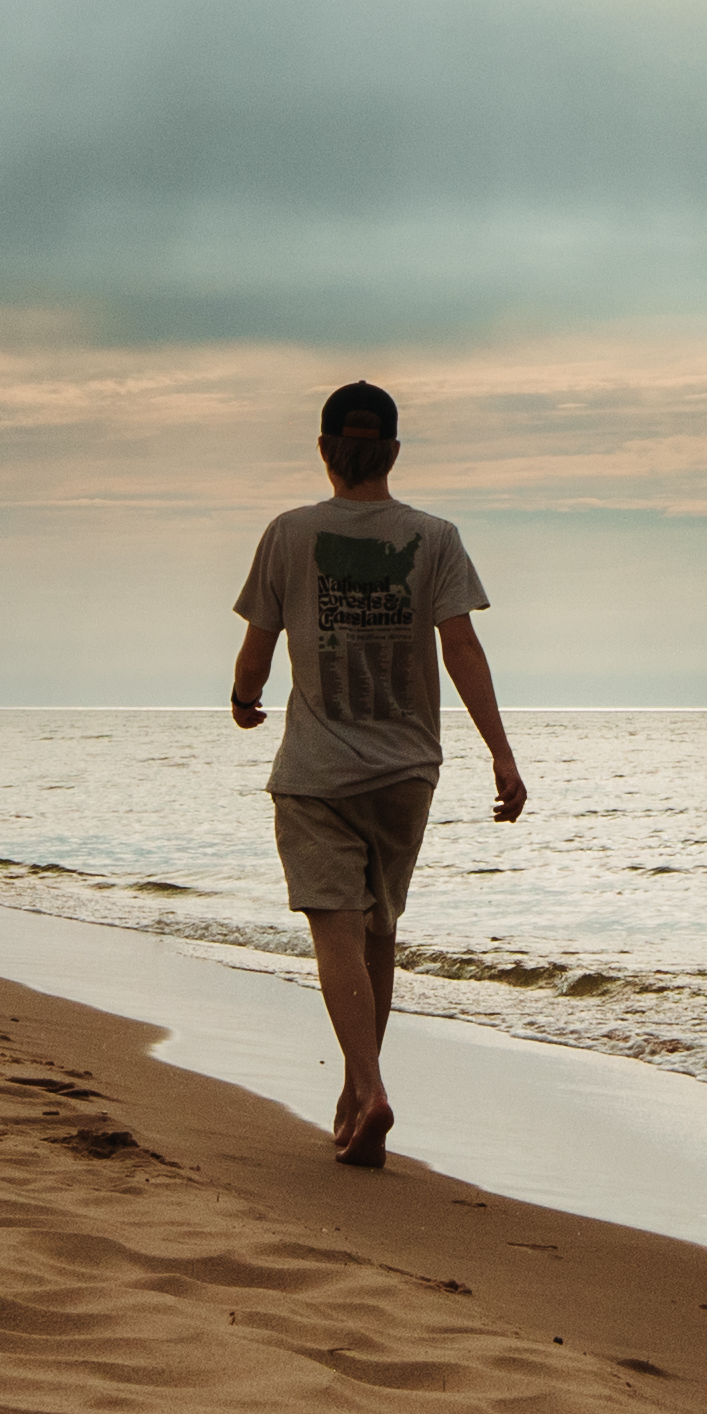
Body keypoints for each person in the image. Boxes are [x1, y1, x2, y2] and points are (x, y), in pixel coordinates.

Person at [227, 380, 523, 1168]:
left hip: (319, 771)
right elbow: (462, 648)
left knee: (335, 933)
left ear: (324, 449)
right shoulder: (435, 537)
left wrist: (244, 695)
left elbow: (259, 644)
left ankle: (372, 1086)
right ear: (392, 450)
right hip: (407, 772)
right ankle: (359, 1093)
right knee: (379, 930)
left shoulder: (290, 533)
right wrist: (502, 751)